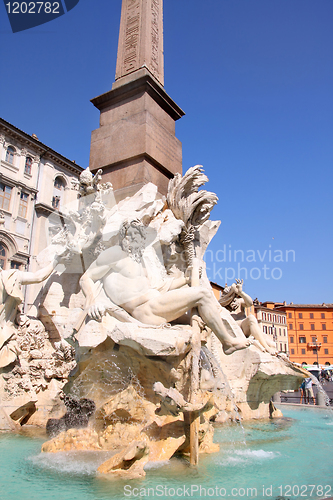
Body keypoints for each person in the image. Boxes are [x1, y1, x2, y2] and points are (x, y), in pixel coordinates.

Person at [79, 220, 253, 355]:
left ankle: (218, 348)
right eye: (129, 234)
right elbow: (86, 277)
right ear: (122, 236)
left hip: (155, 305)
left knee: (204, 314)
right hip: (145, 310)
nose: (132, 239)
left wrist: (186, 278)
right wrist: (92, 301)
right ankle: (227, 343)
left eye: (137, 235)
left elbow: (162, 287)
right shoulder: (115, 253)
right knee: (203, 295)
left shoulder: (139, 263)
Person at [0, 248, 68, 368]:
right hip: (5, 335)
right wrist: (57, 259)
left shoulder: (8, 276)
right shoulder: (9, 277)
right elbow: (38, 277)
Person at [219, 279, 277, 355]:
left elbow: (250, 303)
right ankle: (266, 347)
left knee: (273, 344)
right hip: (237, 332)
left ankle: (268, 347)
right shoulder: (221, 307)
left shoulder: (239, 301)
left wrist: (241, 293)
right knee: (251, 318)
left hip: (247, 329)